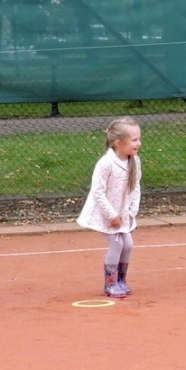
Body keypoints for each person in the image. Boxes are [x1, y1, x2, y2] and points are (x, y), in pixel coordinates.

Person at [76, 118, 143, 298]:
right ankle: (110, 284)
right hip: (105, 213)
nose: (139, 143)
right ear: (118, 143)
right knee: (117, 243)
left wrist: (131, 211)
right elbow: (98, 193)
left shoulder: (135, 161)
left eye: (138, 139)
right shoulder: (105, 163)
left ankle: (121, 280)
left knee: (128, 244)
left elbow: (135, 187)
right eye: (134, 140)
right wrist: (112, 215)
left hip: (124, 213)